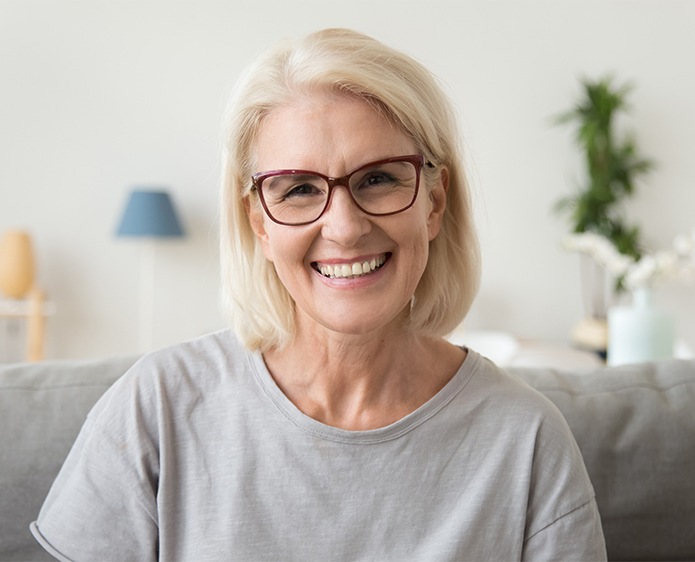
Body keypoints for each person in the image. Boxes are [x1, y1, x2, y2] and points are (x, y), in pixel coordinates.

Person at [31, 28, 606, 561]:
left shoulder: (527, 440)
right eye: (300, 189)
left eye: (378, 178)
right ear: (258, 219)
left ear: (434, 201)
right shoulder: (154, 409)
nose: (345, 226)